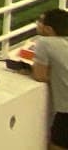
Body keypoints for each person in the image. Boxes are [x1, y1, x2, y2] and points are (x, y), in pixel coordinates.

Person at [27, 8, 68, 150]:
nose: (37, 24)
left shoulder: (44, 43)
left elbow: (40, 76)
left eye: (40, 22)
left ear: (49, 29)